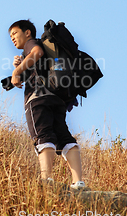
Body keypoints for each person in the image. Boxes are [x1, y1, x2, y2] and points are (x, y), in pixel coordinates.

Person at [9, 19, 86, 190]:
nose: (12, 38)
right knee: (64, 137)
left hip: (38, 98)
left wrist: (16, 71)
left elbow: (36, 52)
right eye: (11, 36)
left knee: (43, 135)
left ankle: (47, 180)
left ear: (27, 32)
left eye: (15, 33)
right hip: (57, 98)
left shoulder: (32, 43)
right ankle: (78, 182)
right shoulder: (35, 49)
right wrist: (21, 65)